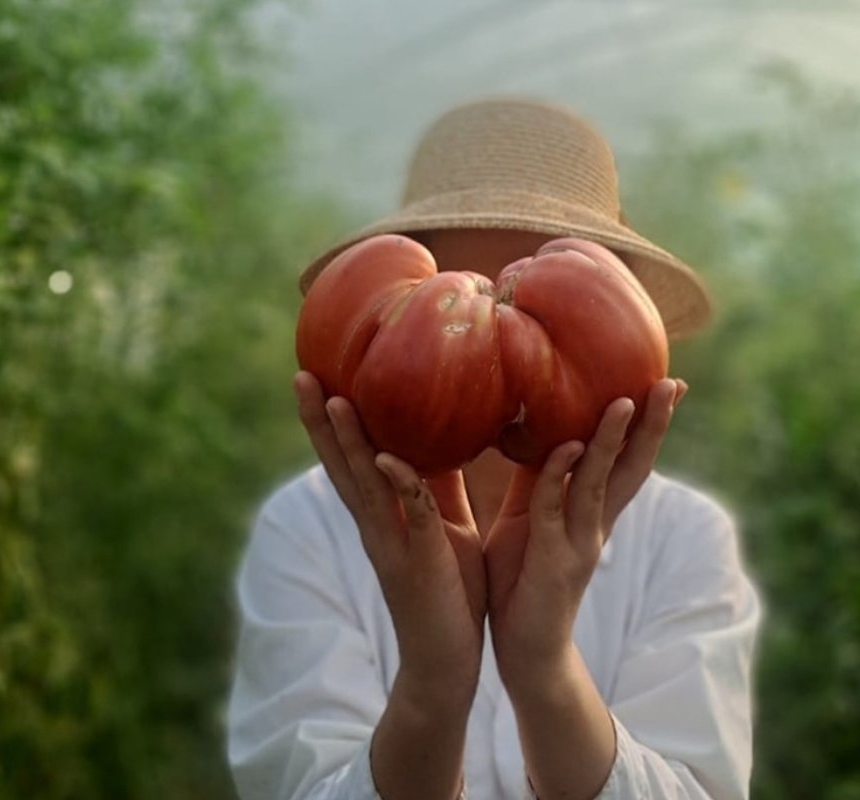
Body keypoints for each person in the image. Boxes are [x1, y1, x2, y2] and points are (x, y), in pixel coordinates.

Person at [227, 98, 760, 800]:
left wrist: (545, 672)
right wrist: (433, 683)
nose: (500, 339)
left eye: (544, 303)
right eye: (455, 304)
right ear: (381, 314)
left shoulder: (683, 537)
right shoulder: (307, 528)